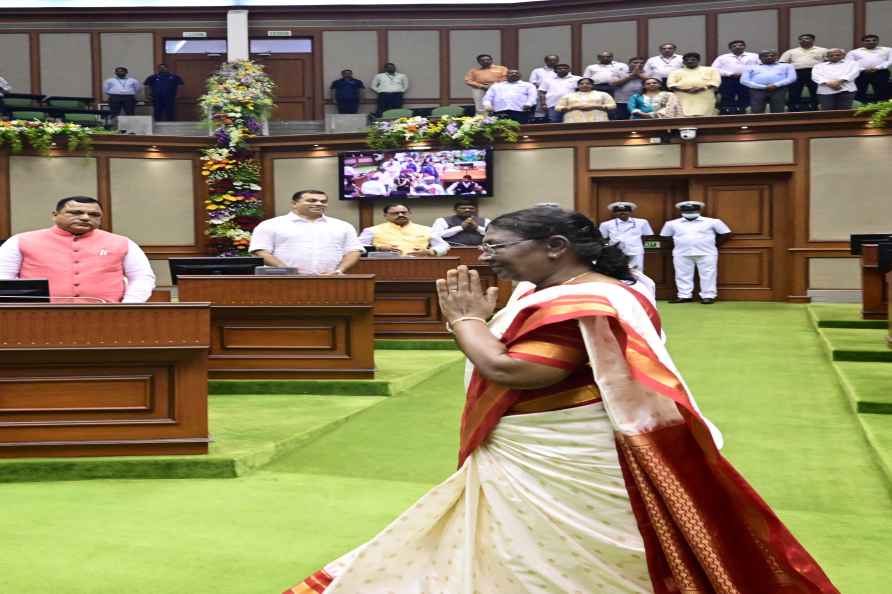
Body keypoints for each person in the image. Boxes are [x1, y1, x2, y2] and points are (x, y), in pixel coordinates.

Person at [282, 206, 839, 594]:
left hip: (571, 461)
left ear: (555, 248)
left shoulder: (589, 301)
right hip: (527, 453)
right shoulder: (543, 290)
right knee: (507, 548)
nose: (488, 256)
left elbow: (513, 369)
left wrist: (466, 320)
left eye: (500, 247)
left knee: (575, 555)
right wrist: (477, 322)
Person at [0, 196, 154, 303]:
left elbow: (142, 278)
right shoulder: (20, 241)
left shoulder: (123, 242)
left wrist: (129, 306)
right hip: (36, 317)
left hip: (108, 315)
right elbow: (3, 279)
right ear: (55, 215)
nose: (86, 218)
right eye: (76, 212)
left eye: (94, 214)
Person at [248, 190, 362, 275]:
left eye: (323, 201)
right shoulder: (270, 225)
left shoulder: (343, 226)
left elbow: (353, 251)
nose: (319, 204)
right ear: (294, 204)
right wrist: (288, 271)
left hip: (331, 280)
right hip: (283, 280)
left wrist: (339, 270)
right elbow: (260, 251)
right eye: (311, 200)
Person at [660, 200, 732, 304]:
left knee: (708, 274)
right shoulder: (672, 223)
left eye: (693, 210)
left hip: (707, 252)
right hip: (682, 252)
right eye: (687, 210)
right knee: (682, 274)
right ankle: (684, 296)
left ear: (699, 210)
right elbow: (665, 236)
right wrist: (678, 244)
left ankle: (708, 296)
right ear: (681, 211)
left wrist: (714, 244)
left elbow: (726, 234)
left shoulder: (713, 222)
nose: (690, 212)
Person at [358, 204, 449, 256]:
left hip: (419, 264)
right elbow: (357, 248)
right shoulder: (371, 230)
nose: (401, 215)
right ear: (386, 216)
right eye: (395, 213)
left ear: (409, 214)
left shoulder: (427, 229)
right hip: (383, 265)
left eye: (404, 212)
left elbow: (444, 246)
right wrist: (378, 248)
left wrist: (429, 251)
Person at [598, 201, 654, 271]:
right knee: (617, 271)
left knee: (637, 272)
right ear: (614, 213)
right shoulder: (606, 224)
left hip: (636, 252)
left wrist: (638, 245)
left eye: (626, 211)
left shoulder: (642, 222)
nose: (622, 213)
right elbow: (602, 238)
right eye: (618, 211)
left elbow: (647, 236)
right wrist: (609, 247)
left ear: (630, 212)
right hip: (616, 253)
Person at [779, 34, 828, 111]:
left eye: (807, 38)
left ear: (813, 40)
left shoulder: (823, 50)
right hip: (796, 73)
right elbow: (782, 63)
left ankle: (815, 110)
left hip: (815, 72)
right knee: (794, 92)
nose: (804, 40)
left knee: (816, 91)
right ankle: (792, 110)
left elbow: (828, 62)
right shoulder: (791, 51)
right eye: (801, 39)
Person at [711, 40, 760, 114]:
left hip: (747, 79)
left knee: (746, 96)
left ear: (744, 47)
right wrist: (729, 74)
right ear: (730, 48)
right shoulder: (722, 57)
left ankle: (743, 113)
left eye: (740, 45)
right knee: (727, 97)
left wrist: (748, 73)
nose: (738, 47)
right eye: (734, 46)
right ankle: (727, 114)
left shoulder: (754, 56)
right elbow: (714, 69)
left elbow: (760, 67)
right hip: (728, 80)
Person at [667, 52, 721, 116]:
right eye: (687, 60)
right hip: (683, 98)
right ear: (683, 62)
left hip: (705, 97)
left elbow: (715, 82)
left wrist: (701, 88)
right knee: (683, 116)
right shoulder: (675, 72)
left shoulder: (711, 70)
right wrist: (685, 90)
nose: (690, 61)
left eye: (693, 60)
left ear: (698, 61)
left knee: (704, 116)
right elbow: (671, 85)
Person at [847, 35, 891, 103]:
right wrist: (863, 69)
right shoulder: (854, 52)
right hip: (862, 73)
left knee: (882, 90)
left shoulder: (887, 50)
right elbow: (850, 63)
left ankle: (880, 105)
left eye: (874, 40)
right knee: (860, 90)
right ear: (863, 42)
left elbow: (890, 61)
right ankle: (861, 106)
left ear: (877, 41)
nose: (871, 42)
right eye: (868, 41)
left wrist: (878, 68)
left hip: (881, 72)